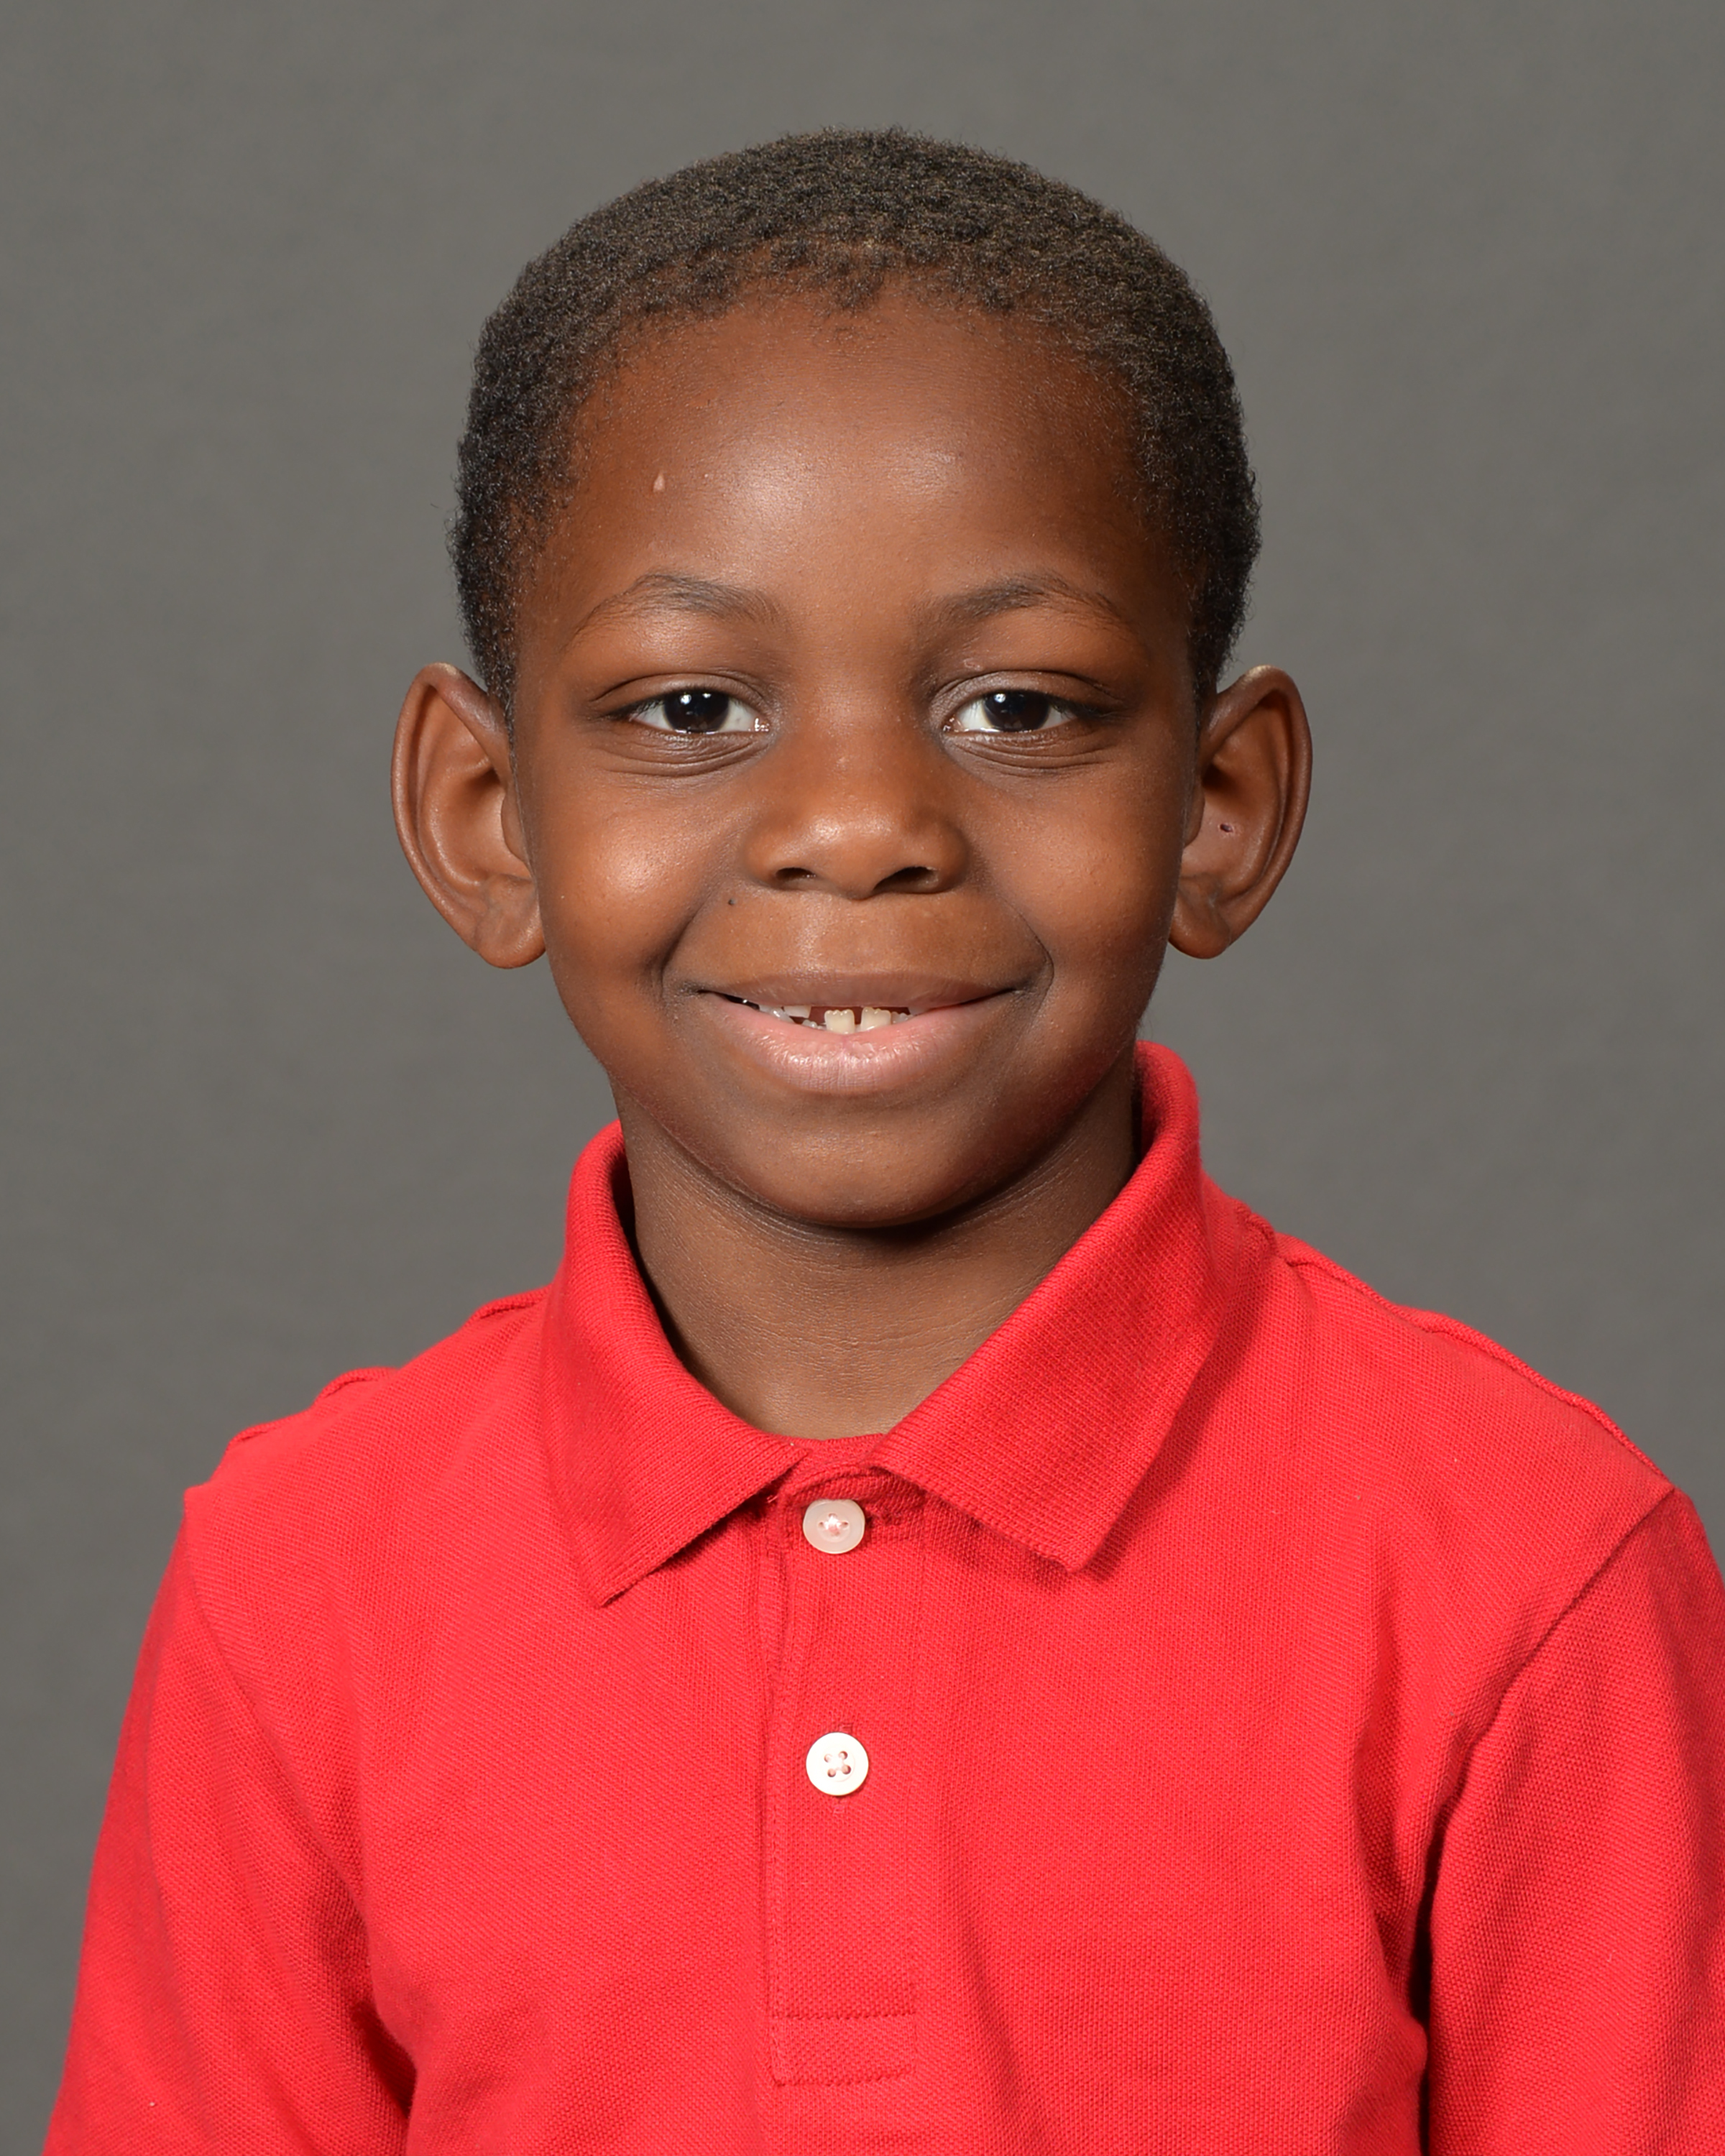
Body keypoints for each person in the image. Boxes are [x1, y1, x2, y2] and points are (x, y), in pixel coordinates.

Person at [47, 129, 1725, 2152]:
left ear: (1222, 805)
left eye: (1019, 708)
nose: (857, 827)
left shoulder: (1527, 1568)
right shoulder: (299, 1582)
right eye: (690, 712)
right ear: (487, 821)